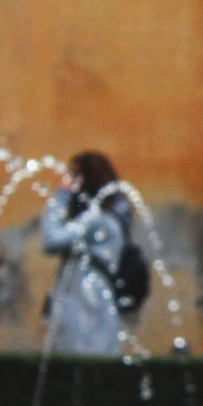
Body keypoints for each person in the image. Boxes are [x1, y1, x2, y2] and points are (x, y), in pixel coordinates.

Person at [40, 150, 132, 356]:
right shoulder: (111, 215)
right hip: (93, 298)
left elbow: (51, 240)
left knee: (82, 362)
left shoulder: (96, 220)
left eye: (74, 176)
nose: (69, 182)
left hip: (86, 300)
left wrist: (61, 197)